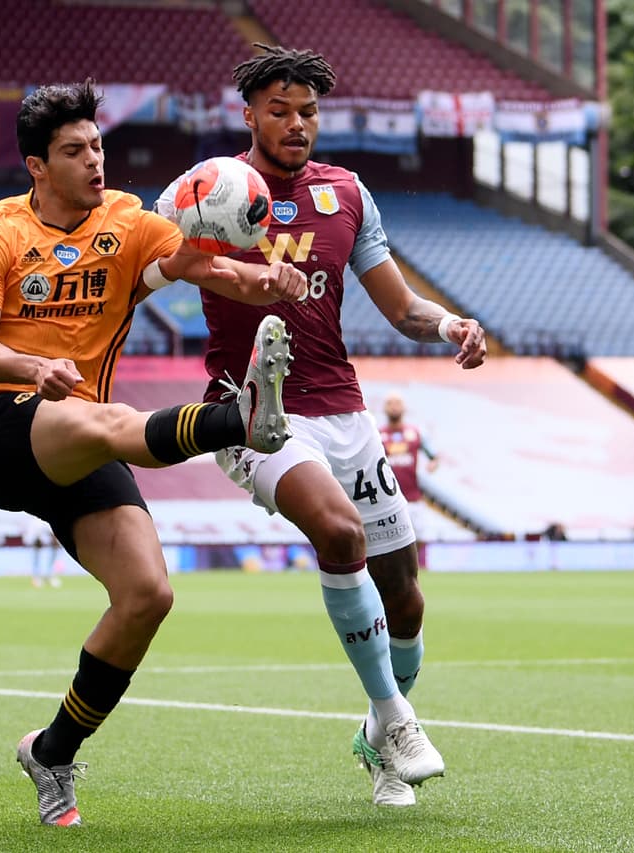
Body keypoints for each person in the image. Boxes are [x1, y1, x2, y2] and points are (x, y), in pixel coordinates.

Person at [0, 80, 307, 828]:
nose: (94, 160)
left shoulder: (128, 221)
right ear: (37, 166)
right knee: (100, 417)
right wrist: (30, 367)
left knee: (148, 595)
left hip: (80, 428)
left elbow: (204, 268)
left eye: (98, 145)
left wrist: (268, 280)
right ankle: (235, 421)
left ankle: (52, 750)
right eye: (75, 151)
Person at [160, 45, 488, 807]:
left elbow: (402, 308)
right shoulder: (214, 192)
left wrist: (450, 325)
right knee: (339, 536)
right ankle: (398, 719)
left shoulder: (347, 194)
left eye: (308, 111)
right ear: (249, 115)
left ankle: (376, 738)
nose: (297, 123)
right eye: (280, 110)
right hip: (253, 412)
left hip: (344, 409)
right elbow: (167, 258)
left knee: (405, 595)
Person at [380, 392, 441, 567]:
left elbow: (434, 456)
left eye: (397, 402)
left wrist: (433, 464)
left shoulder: (415, 433)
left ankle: (410, 565)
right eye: (390, 403)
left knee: (420, 537)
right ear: (384, 408)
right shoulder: (378, 435)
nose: (394, 406)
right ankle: (397, 567)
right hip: (388, 499)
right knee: (387, 539)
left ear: (404, 407)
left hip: (413, 497)